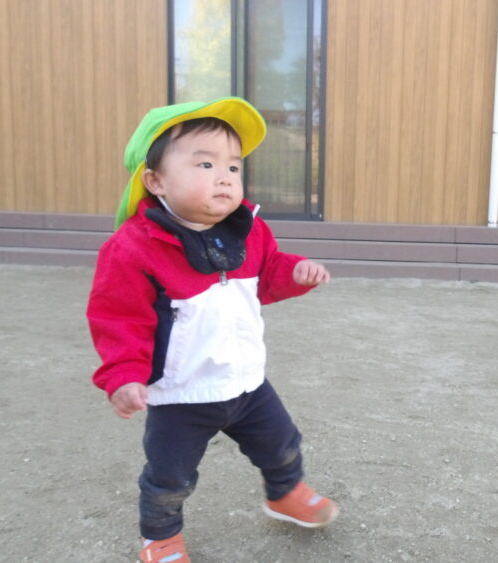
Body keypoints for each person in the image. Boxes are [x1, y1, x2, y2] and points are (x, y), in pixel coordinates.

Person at [87, 97, 338, 563]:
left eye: (233, 167)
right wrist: (123, 375)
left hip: (247, 382)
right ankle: (160, 537)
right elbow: (117, 318)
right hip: (181, 393)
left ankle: (284, 494)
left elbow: (267, 275)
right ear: (155, 180)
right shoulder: (133, 248)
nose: (224, 177)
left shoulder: (249, 231)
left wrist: (295, 272)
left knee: (282, 444)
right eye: (205, 164)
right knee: (171, 476)